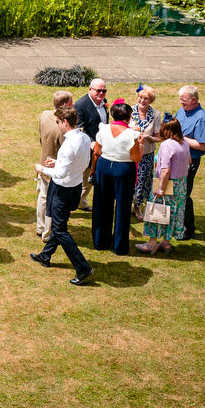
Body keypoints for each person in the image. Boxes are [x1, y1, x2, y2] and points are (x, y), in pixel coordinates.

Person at [31, 106, 94, 285]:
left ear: (65, 122)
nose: (58, 125)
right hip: (74, 187)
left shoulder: (69, 144)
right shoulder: (83, 137)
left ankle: (82, 267)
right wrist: (58, 163)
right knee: (60, 224)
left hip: (63, 190)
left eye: (58, 122)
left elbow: (59, 174)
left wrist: (43, 168)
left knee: (60, 230)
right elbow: (80, 161)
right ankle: (46, 255)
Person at [90, 100, 142, 255]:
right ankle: (119, 246)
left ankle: (100, 241)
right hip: (123, 169)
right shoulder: (132, 135)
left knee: (101, 204)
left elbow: (96, 152)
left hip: (104, 166)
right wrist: (141, 144)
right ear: (128, 117)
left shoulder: (103, 129)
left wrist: (93, 169)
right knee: (122, 207)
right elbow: (136, 158)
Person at [135, 119, 190, 254]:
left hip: (167, 184)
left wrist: (161, 188)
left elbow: (165, 169)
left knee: (157, 210)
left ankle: (152, 243)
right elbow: (189, 161)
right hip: (181, 184)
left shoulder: (167, 145)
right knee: (173, 213)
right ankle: (166, 243)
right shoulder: (184, 143)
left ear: (166, 130)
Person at [35, 91, 74, 242]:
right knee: (52, 203)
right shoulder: (62, 130)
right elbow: (66, 153)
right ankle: (47, 233)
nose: (73, 105)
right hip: (55, 168)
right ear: (65, 105)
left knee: (43, 197)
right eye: (71, 102)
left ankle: (40, 227)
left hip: (43, 161)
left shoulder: (45, 115)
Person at [174, 85, 205, 239]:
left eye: (184, 101)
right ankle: (177, 221)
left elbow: (201, 145)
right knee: (175, 192)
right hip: (176, 157)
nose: (181, 103)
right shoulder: (182, 111)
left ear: (194, 100)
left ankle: (188, 228)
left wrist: (180, 138)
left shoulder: (202, 119)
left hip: (190, 161)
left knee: (184, 194)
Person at [74, 78, 109, 211]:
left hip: (102, 147)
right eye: (98, 90)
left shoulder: (103, 102)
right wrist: (91, 142)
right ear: (90, 90)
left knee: (90, 178)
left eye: (104, 91)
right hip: (88, 148)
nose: (101, 93)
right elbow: (79, 128)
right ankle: (75, 202)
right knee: (86, 178)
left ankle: (81, 202)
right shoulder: (81, 105)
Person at [130, 85, 162, 219]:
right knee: (131, 180)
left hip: (147, 154)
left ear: (151, 100)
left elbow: (158, 138)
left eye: (146, 99)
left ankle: (137, 207)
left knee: (143, 181)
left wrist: (148, 138)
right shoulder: (130, 111)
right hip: (131, 153)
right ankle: (126, 204)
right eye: (140, 98)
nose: (142, 101)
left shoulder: (155, 114)